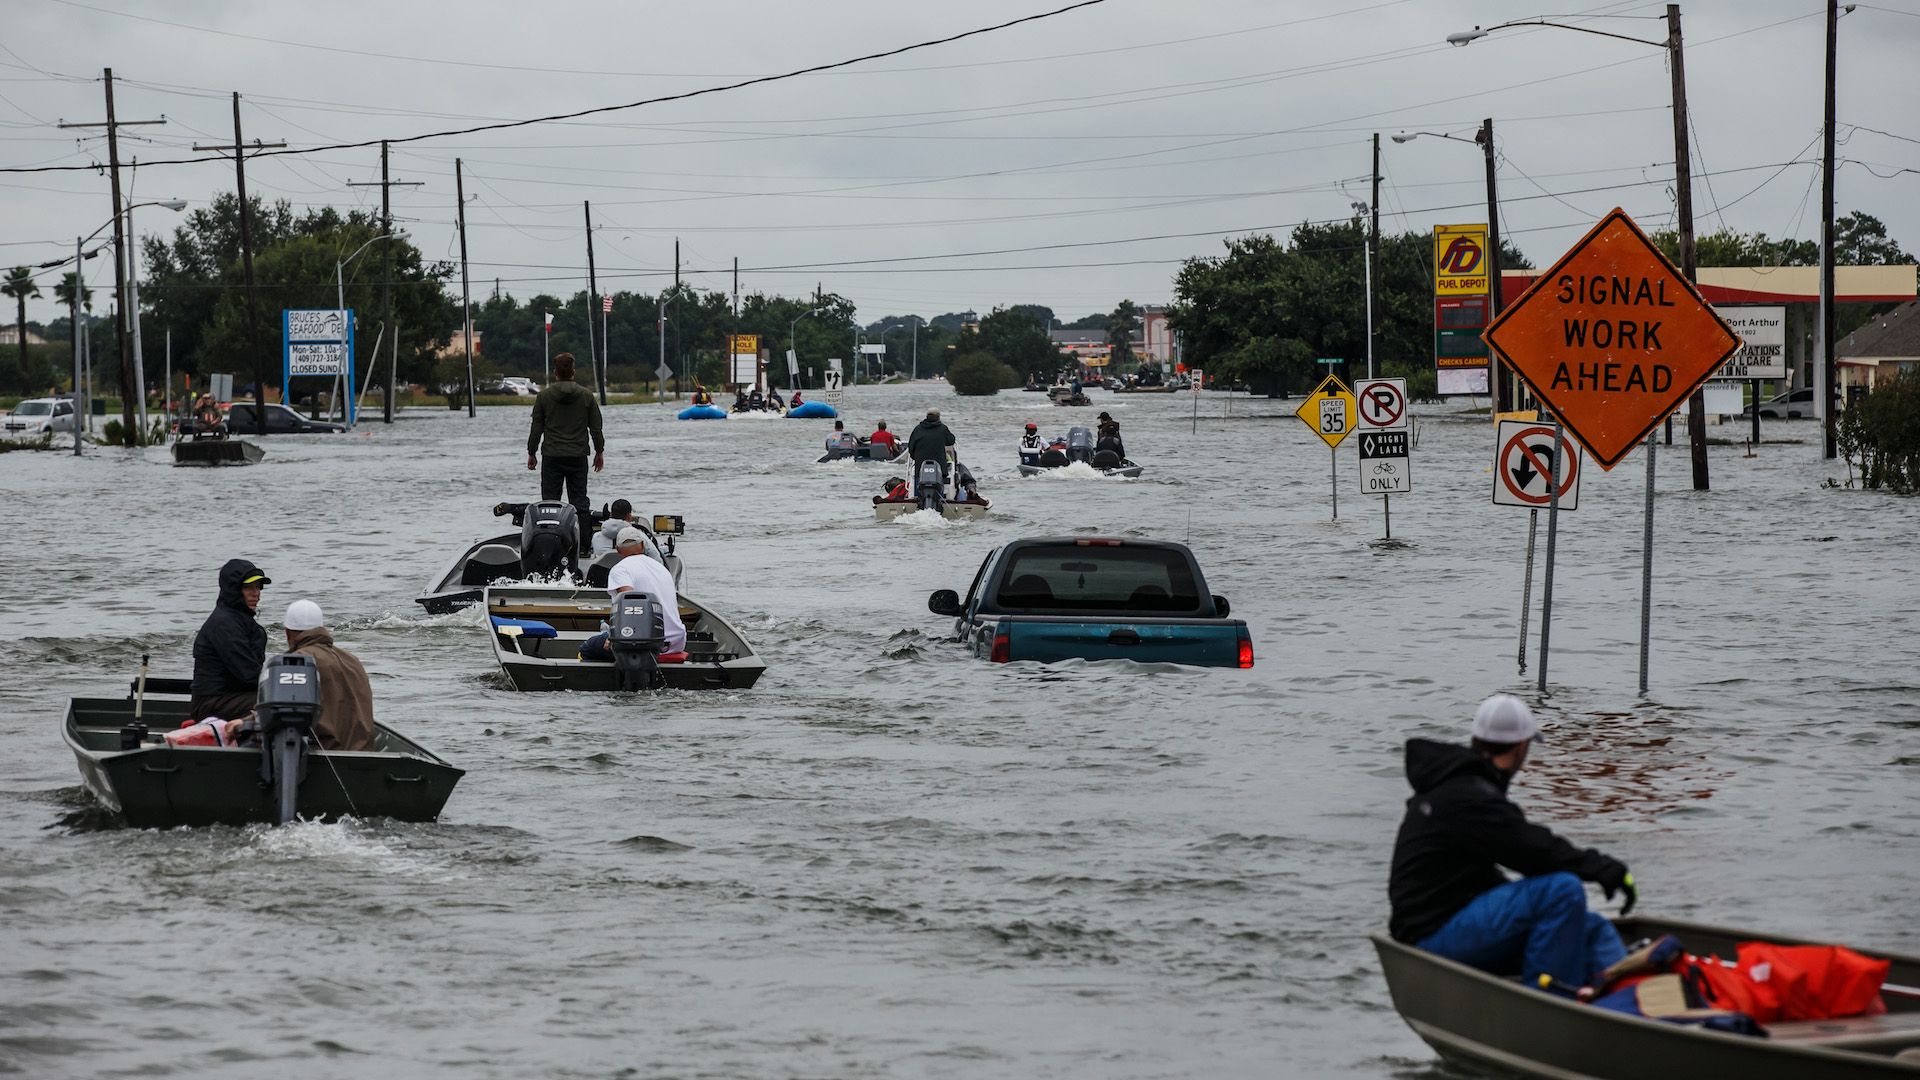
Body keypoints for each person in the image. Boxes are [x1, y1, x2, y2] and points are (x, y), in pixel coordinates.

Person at [1389, 695, 1636, 992]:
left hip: (1447, 919)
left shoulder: (1457, 785)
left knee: (1592, 927)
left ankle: (1631, 1002)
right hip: (1431, 936)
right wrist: (1604, 869)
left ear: (1477, 739)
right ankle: (1551, 1002)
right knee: (1562, 890)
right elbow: (1535, 851)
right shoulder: (1470, 796)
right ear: (1522, 747)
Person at [526, 352, 605, 554]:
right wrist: (599, 451)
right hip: (578, 456)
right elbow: (596, 428)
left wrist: (532, 452)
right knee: (580, 503)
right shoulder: (586, 396)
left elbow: (536, 428)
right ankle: (584, 547)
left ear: (555, 372)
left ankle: (549, 547)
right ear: (573, 371)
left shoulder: (544, 397)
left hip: (552, 456)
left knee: (550, 503)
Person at [282, 600, 376, 752]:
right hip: (363, 758)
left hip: (325, 758)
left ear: (287, 633)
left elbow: (282, 709)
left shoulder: (298, 660)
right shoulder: (352, 659)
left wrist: (243, 722)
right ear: (321, 628)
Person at [580, 527, 687, 660]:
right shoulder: (662, 569)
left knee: (587, 648)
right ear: (642, 545)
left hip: (645, 644)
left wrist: (613, 639)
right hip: (677, 641)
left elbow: (630, 604)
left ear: (618, 550)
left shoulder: (620, 569)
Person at [190, 560, 270, 721]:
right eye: (249, 587)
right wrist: (278, 683)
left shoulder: (242, 621)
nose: (256, 593)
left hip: (232, 696)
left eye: (258, 587)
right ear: (234, 590)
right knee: (276, 702)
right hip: (211, 703)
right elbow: (249, 674)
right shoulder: (224, 624)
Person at [908, 408, 956, 479]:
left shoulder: (918, 429)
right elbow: (951, 441)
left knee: (918, 482)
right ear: (938, 417)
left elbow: (911, 447)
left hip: (920, 468)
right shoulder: (943, 429)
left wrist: (916, 458)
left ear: (927, 416)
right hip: (940, 468)